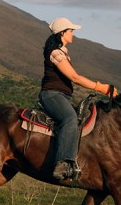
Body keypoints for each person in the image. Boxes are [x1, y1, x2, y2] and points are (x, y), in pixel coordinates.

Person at [39, 18, 118, 180]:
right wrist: (101, 87)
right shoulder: (56, 53)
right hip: (52, 95)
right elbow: (75, 77)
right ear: (62, 33)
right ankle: (62, 164)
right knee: (70, 119)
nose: (73, 34)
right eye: (71, 31)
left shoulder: (62, 51)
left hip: (63, 95)